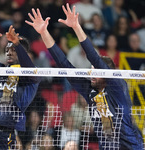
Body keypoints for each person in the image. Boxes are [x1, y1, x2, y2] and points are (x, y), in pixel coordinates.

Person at [25, 3, 143, 150]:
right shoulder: (90, 91)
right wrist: (44, 33)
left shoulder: (117, 87)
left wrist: (76, 27)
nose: (92, 74)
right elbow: (64, 64)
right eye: (91, 70)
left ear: (108, 74)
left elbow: (94, 57)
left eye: (97, 71)